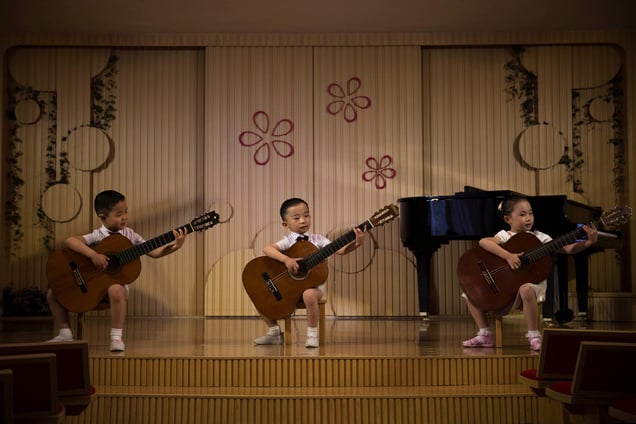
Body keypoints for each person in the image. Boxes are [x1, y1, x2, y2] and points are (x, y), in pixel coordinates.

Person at [46, 190, 188, 352]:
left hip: (115, 288)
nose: (125, 217)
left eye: (126, 212)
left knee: (116, 289)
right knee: (52, 293)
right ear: (102, 217)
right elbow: (70, 241)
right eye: (119, 214)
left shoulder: (130, 235)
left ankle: (116, 337)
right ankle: (65, 333)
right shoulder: (97, 235)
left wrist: (175, 245)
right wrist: (93, 255)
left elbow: (154, 252)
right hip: (92, 287)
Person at [461, 196, 598, 351]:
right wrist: (508, 256)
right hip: (508, 290)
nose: (528, 218)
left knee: (525, 288)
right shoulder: (505, 236)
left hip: (533, 287)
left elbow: (567, 249)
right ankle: (484, 334)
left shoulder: (540, 237)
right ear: (508, 219)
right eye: (522, 214)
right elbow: (484, 242)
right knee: (469, 293)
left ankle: (533, 335)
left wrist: (589, 242)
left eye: (530, 213)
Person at [254, 197, 367, 348]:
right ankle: (274, 332)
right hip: (291, 286)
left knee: (309, 294)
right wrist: (287, 260)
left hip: (313, 285)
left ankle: (312, 334)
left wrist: (357, 243)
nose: (303, 220)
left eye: (306, 215)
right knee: (259, 295)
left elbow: (340, 250)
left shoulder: (318, 239)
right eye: (296, 218)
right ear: (285, 224)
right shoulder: (287, 241)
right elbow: (267, 249)